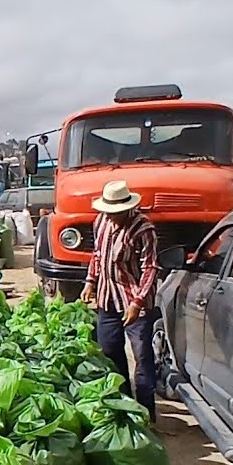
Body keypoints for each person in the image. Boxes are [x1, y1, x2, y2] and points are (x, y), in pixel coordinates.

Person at [80, 180, 160, 421]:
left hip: (135, 301)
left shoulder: (144, 229)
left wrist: (137, 302)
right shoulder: (101, 222)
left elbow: (150, 268)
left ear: (128, 209)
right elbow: (97, 255)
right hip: (107, 298)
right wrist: (90, 281)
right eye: (109, 212)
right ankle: (124, 405)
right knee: (109, 350)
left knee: (142, 356)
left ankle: (146, 412)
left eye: (117, 213)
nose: (112, 217)